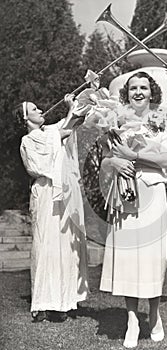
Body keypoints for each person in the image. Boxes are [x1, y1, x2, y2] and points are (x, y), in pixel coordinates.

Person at [99, 72, 167, 348]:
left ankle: (154, 314)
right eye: (133, 88)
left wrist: (135, 156)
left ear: (152, 92)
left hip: (152, 195)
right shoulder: (116, 123)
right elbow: (105, 162)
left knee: (152, 257)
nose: (139, 92)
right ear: (127, 93)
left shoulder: (163, 123)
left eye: (144, 87)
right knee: (129, 258)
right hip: (125, 196)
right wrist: (115, 164)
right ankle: (132, 318)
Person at [14, 95, 89, 322]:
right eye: (34, 109)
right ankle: (44, 302)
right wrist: (70, 109)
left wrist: (85, 98)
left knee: (64, 242)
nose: (41, 109)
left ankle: (64, 300)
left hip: (61, 191)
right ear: (26, 119)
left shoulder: (48, 132)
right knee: (47, 243)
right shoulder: (31, 139)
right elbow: (65, 129)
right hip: (46, 193)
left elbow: (74, 122)